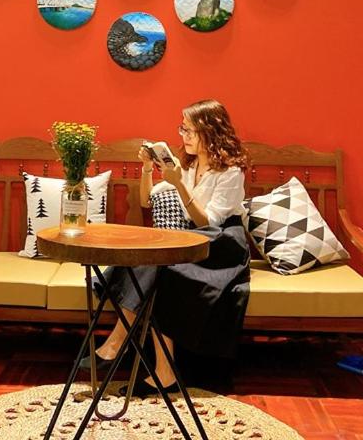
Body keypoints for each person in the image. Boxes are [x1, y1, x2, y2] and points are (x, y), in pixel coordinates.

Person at [86, 99, 251, 397]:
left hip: (221, 245)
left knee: (163, 270)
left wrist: (181, 186)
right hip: (192, 239)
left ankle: (117, 345)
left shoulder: (230, 171)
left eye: (189, 130)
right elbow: (146, 201)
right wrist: (148, 169)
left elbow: (207, 221)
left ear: (209, 131)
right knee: (155, 266)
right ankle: (161, 371)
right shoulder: (188, 163)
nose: (183, 136)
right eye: (182, 129)